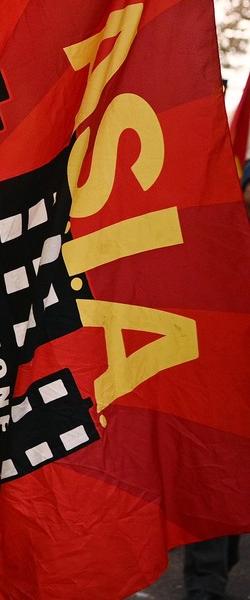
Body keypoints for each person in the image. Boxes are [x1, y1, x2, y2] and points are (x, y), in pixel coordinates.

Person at [178, 163, 249, 600]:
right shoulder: (216, 242)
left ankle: (214, 573)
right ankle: (207, 584)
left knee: (225, 487)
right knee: (213, 484)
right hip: (214, 386)